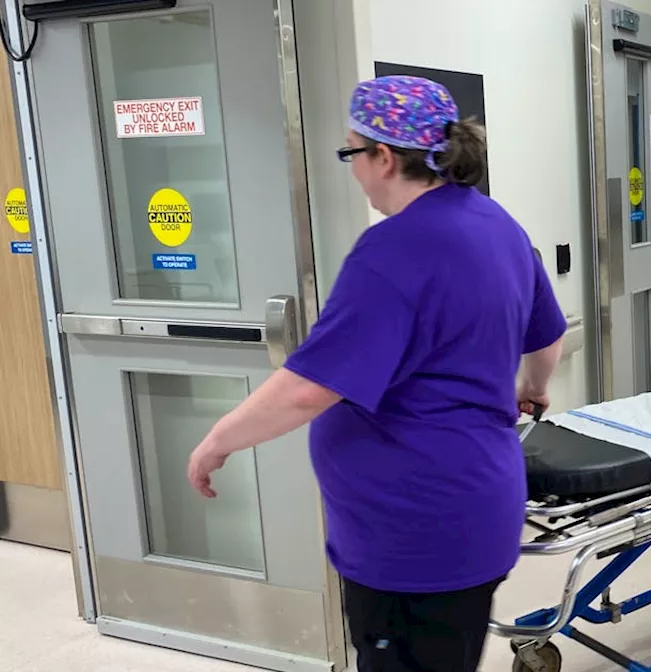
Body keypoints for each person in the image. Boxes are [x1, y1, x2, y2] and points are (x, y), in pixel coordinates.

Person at [185, 75, 567, 672]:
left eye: (351, 154)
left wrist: (217, 441)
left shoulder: (393, 251)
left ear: (383, 157)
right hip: (476, 512)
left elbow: (308, 389)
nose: (353, 170)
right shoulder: (497, 226)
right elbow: (547, 338)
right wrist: (533, 389)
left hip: (411, 535)